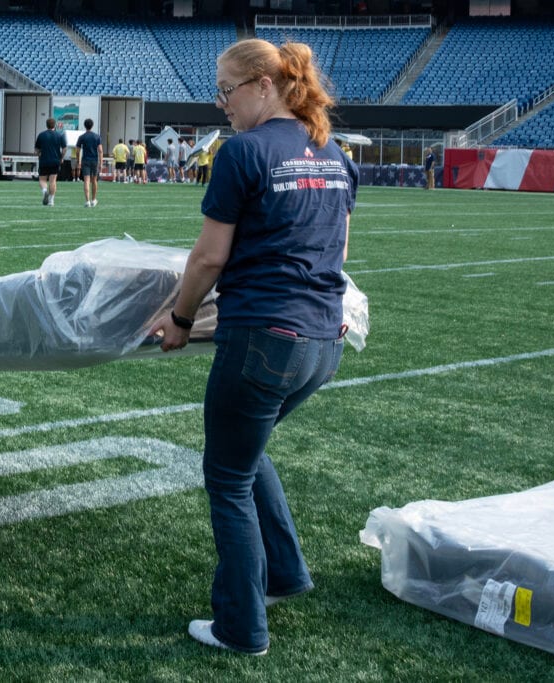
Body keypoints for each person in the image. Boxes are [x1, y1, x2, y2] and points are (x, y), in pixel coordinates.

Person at [152, 38, 358, 656]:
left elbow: (209, 255)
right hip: (323, 341)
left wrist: (181, 318)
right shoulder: (333, 151)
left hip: (264, 337)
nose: (222, 105)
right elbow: (338, 254)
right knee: (249, 449)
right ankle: (287, 573)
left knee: (227, 477)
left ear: (263, 86)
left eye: (226, 91)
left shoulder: (242, 152)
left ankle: (241, 627)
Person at [35, 118, 67, 206]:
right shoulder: (59, 135)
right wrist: (61, 158)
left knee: (42, 180)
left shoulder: (41, 135)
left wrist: (39, 155)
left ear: (46, 125)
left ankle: (45, 191)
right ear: (54, 125)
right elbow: (64, 149)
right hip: (55, 161)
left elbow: (36, 150)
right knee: (53, 181)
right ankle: (51, 200)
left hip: (44, 160)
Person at [76, 117, 103, 207]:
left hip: (85, 160)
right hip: (94, 160)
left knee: (86, 180)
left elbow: (77, 151)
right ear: (92, 126)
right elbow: (100, 150)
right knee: (94, 180)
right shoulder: (97, 136)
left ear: (85, 126)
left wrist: (78, 161)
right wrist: (101, 162)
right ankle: (93, 200)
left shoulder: (82, 137)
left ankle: (87, 201)